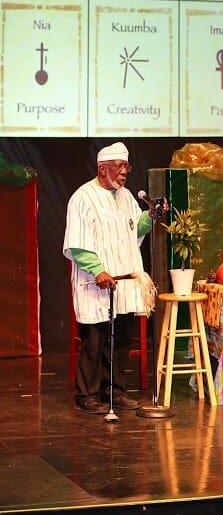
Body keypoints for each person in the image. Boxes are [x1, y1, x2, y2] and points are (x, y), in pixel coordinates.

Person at [63, 142, 153, 414]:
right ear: (103, 169)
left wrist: (150, 216)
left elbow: (133, 229)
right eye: (119, 166)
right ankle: (87, 395)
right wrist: (98, 269)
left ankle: (115, 391)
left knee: (121, 340)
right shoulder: (83, 198)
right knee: (95, 340)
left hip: (123, 281)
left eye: (126, 166)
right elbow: (77, 241)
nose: (124, 172)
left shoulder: (126, 196)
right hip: (97, 282)